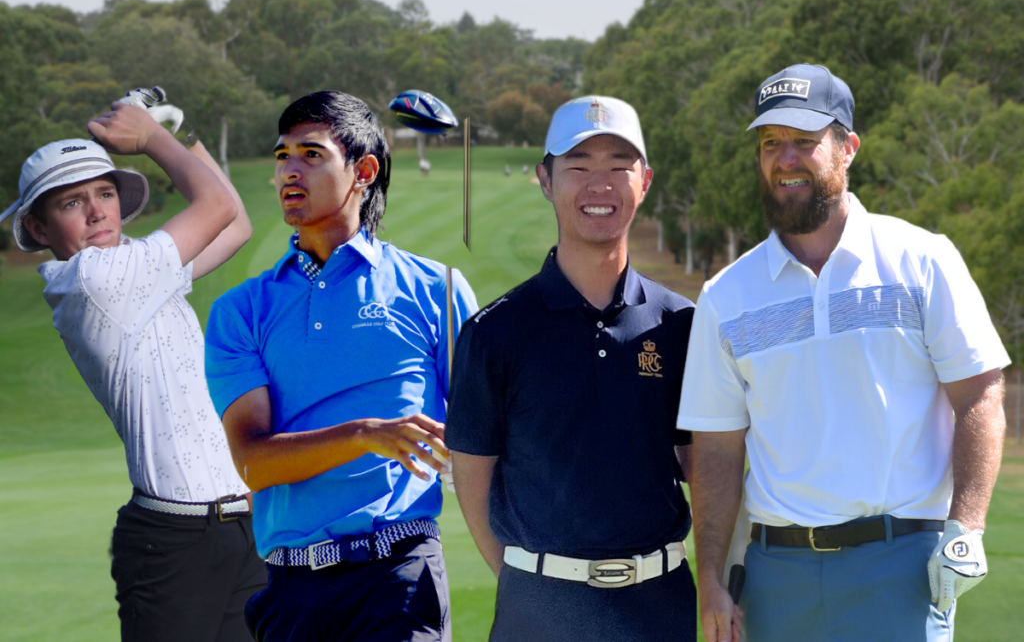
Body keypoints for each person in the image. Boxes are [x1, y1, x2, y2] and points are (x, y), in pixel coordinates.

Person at [678, 63, 1009, 642]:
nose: (785, 159)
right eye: (770, 143)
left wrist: (968, 525)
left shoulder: (922, 260)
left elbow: (979, 393)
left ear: (848, 147)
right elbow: (717, 449)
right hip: (777, 577)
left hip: (903, 567)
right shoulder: (725, 296)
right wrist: (711, 577)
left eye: (805, 142)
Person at [204, 90, 478, 642]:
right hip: (291, 591)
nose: (289, 170)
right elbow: (254, 463)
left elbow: (487, 435)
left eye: (311, 154)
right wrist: (365, 434)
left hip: (400, 578)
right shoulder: (240, 310)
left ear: (364, 171)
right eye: (282, 156)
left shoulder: (435, 290)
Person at [2, 94, 262, 642]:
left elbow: (236, 224)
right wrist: (151, 140)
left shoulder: (139, 270)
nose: (97, 210)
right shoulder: (93, 283)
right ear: (39, 228)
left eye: (104, 193)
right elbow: (215, 206)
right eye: (71, 203)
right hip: (173, 541)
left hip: (242, 526)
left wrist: (173, 127)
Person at [446, 96, 699, 642]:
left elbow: (701, 463)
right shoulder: (495, 331)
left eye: (618, 167)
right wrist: (535, 581)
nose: (599, 186)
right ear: (545, 179)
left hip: (660, 608)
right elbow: (472, 479)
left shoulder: (682, 324)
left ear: (645, 181)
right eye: (579, 167)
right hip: (539, 613)